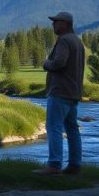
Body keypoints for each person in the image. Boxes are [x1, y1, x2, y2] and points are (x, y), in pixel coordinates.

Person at [34, 11, 86, 175]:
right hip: (73, 93)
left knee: (54, 127)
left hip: (60, 91)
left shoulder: (64, 40)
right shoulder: (77, 41)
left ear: (65, 24)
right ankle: (74, 164)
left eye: (56, 21)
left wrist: (46, 64)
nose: (53, 24)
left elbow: (59, 63)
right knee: (72, 129)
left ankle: (54, 165)